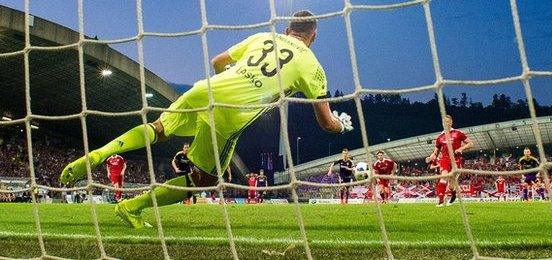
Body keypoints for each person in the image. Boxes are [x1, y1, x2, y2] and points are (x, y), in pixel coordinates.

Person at [59, 10, 353, 228]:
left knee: (158, 128)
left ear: (288, 29)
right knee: (204, 179)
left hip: (207, 90)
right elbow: (326, 122)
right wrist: (342, 125)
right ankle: (132, 207)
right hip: (231, 114)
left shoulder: (264, 37)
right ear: (312, 37)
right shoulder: (312, 66)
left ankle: (99, 154)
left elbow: (218, 62)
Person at [426, 115, 474, 207]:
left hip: (456, 160)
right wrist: (431, 157)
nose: (446, 123)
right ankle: (440, 200)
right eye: (444, 122)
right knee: (444, 176)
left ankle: (453, 194)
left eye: (448, 121)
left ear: (451, 122)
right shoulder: (440, 137)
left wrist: (461, 148)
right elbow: (435, 152)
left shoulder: (458, 133)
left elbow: (471, 144)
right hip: (445, 160)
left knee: (452, 183)